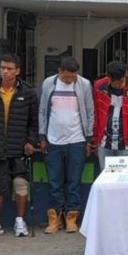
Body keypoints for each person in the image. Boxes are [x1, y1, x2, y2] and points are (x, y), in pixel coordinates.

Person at [0, 53, 39, 239]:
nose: (5, 71)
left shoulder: (28, 93)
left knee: (20, 186)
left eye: (9, 68)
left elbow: (33, 122)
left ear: (17, 71)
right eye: (3, 67)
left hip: (19, 148)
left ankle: (20, 221)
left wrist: (31, 141)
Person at [39, 57, 94, 234]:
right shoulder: (49, 83)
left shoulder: (84, 84)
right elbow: (42, 110)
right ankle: (55, 219)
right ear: (60, 72)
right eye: (68, 76)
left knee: (73, 182)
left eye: (74, 76)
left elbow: (89, 110)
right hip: (54, 140)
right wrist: (42, 136)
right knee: (54, 182)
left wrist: (89, 138)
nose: (71, 80)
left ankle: (72, 218)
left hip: (77, 140)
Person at [93, 60, 128, 170]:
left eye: (121, 82)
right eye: (116, 83)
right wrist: (96, 140)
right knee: (106, 179)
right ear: (108, 77)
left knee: (125, 180)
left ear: (125, 74)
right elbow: (97, 114)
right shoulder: (99, 86)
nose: (120, 85)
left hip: (127, 142)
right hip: (104, 142)